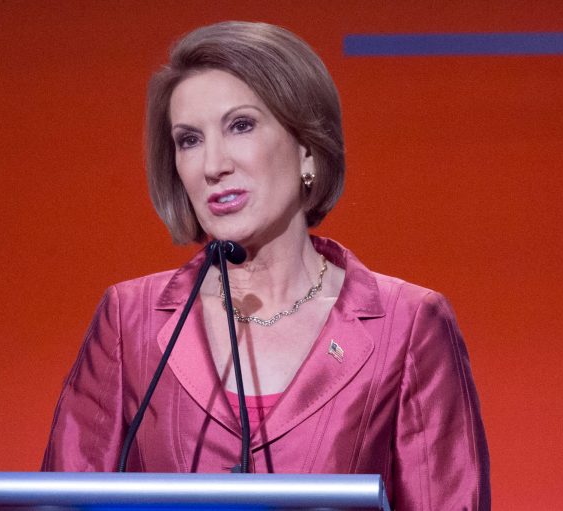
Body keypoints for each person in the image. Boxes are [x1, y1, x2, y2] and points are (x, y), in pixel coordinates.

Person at [42, 21, 491, 509]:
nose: (213, 164)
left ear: (307, 148)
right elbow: (62, 500)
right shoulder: (130, 319)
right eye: (189, 140)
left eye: (241, 125)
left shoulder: (407, 325)